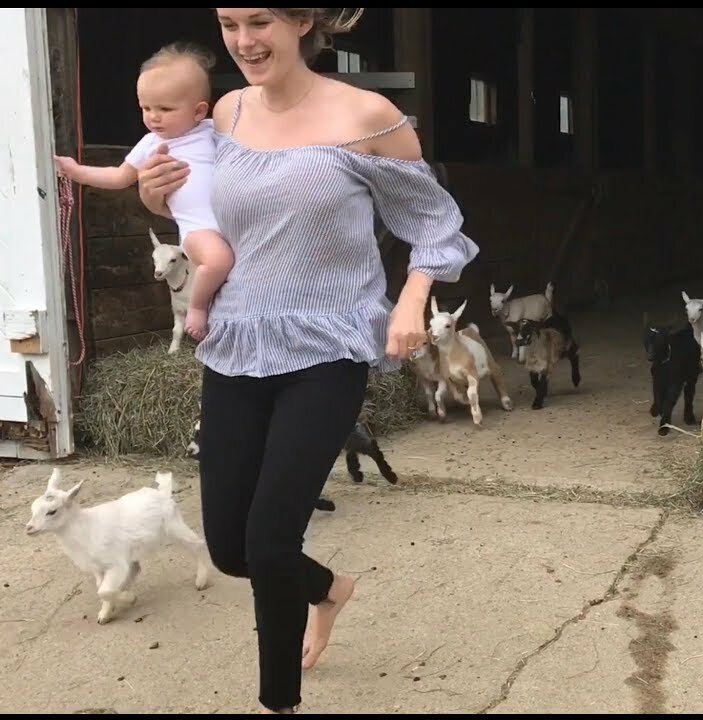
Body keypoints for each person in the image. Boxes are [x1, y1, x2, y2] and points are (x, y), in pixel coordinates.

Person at [133, 7, 480, 714]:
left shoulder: (368, 114)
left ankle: (278, 704)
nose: (243, 40)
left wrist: (412, 299)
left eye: (260, 20)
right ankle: (328, 588)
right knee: (231, 548)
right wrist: (155, 195)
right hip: (239, 340)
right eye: (230, 23)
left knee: (268, 539)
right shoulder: (223, 112)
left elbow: (434, 222)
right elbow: (200, 213)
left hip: (328, 346)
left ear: (302, 22)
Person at [55, 41, 235, 342]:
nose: (153, 117)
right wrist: (75, 171)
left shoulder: (212, 131)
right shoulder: (151, 143)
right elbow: (118, 176)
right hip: (199, 231)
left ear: (198, 111)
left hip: (230, 225)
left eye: (165, 108)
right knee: (217, 262)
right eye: (146, 108)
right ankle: (196, 309)